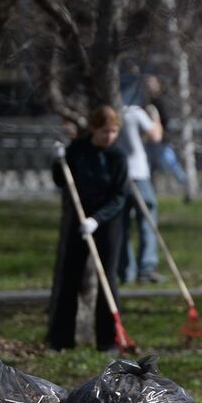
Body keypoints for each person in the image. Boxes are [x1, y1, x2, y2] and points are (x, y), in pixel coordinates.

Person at [46, 105, 129, 353]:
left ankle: (108, 341)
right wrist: (58, 161)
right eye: (105, 131)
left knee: (108, 280)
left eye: (114, 131)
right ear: (93, 128)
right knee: (69, 277)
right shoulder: (79, 150)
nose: (110, 136)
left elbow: (119, 196)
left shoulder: (118, 156)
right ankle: (59, 340)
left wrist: (97, 219)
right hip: (78, 221)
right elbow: (61, 180)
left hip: (107, 223)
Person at [116, 101, 164, 283]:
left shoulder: (112, 111)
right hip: (138, 175)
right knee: (147, 220)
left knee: (122, 224)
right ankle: (146, 268)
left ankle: (126, 271)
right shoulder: (134, 112)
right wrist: (156, 118)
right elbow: (155, 135)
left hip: (119, 176)